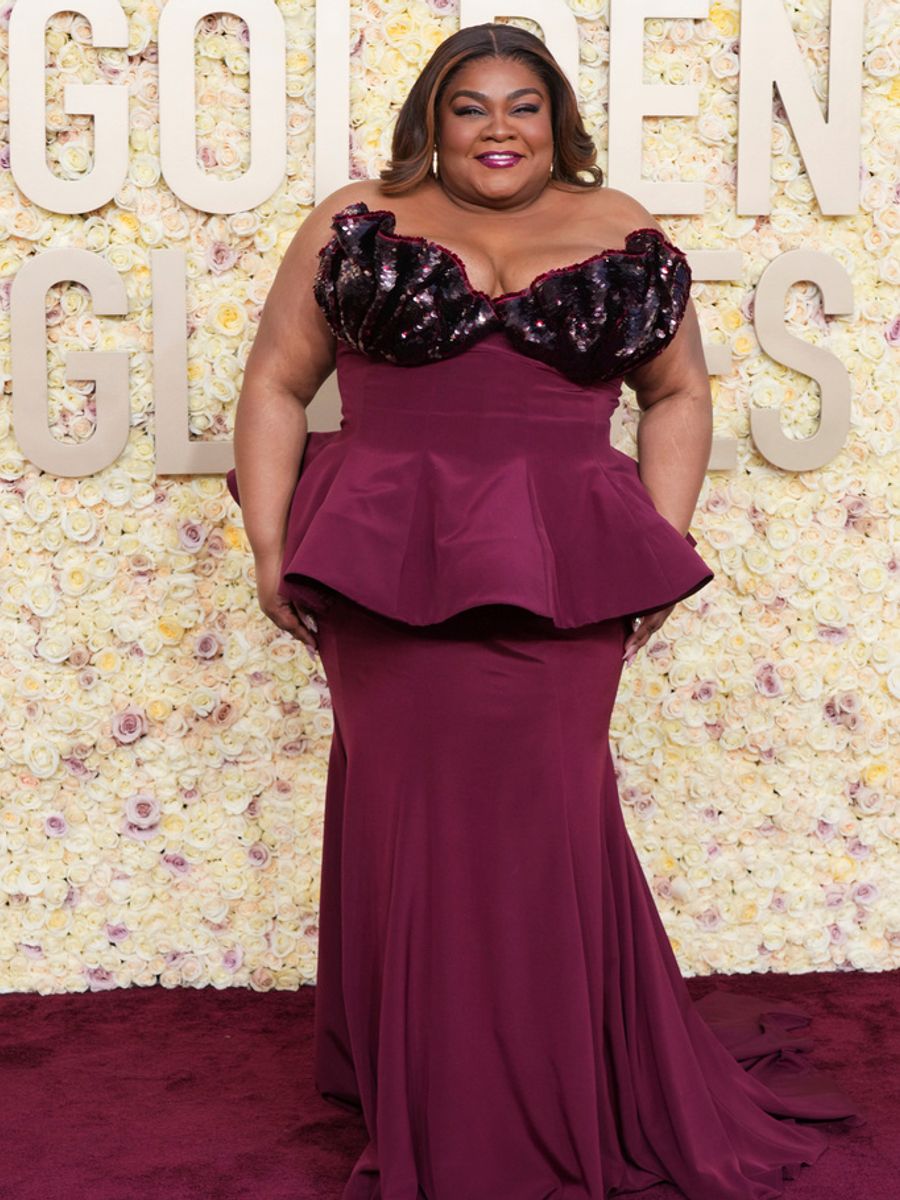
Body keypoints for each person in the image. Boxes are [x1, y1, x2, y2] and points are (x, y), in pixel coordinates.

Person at [227, 22, 863, 1200]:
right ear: (433, 119)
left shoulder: (618, 225)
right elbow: (275, 376)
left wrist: (658, 544)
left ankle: (555, 1080)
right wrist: (271, 543)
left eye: (524, 107)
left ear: (557, 124)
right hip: (381, 565)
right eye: (471, 107)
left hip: (565, 566)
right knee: (409, 818)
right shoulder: (353, 217)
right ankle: (431, 1088)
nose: (499, 129)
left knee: (549, 814)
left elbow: (677, 394)